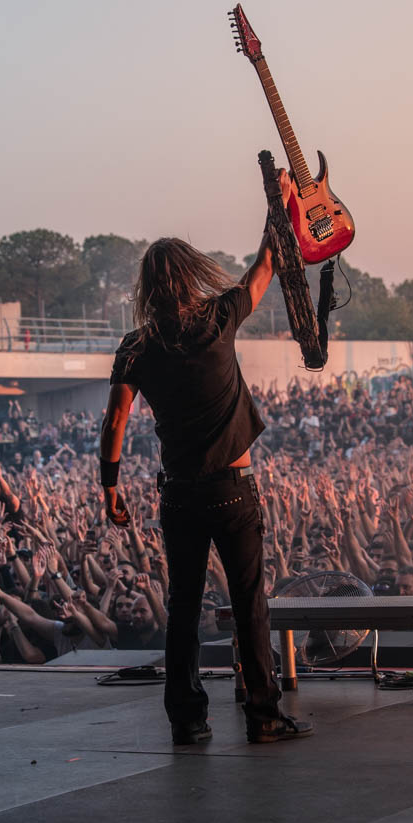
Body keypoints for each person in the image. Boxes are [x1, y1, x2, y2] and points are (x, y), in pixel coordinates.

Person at [99, 201, 313, 745]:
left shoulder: (136, 346)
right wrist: (281, 205)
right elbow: (267, 263)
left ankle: (187, 720)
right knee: (249, 605)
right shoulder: (219, 318)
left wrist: (109, 485)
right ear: (191, 272)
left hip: (179, 495)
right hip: (231, 489)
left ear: (147, 287)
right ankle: (264, 716)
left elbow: (117, 419)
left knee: (184, 607)